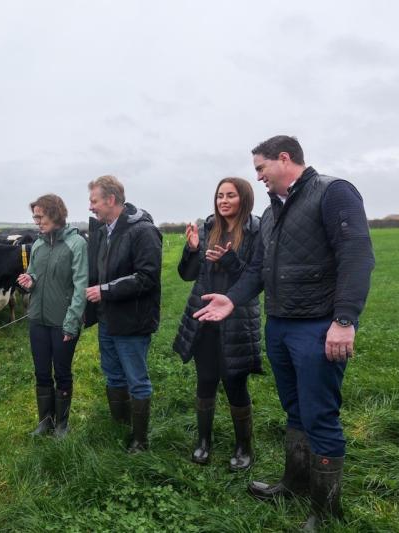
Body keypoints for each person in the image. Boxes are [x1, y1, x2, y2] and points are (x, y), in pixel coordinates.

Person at [194, 136, 375, 528]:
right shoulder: (274, 212)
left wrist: (344, 321)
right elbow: (259, 268)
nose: (257, 177)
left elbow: (357, 255)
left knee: (320, 415)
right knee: (295, 411)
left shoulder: (333, 192)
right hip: (279, 325)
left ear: (285, 158)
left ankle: (325, 512)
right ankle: (294, 483)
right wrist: (232, 299)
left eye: (261, 168)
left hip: (317, 327)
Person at [173, 177, 262, 471]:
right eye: (220, 196)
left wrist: (230, 261)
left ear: (244, 199)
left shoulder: (256, 231)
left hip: (237, 320)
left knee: (235, 382)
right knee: (206, 379)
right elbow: (187, 275)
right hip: (204, 319)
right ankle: (203, 441)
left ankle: (243, 446)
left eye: (231, 196)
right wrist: (193, 249)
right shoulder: (208, 228)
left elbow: (254, 278)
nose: (223, 201)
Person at [84, 175, 162, 453]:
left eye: (94, 201)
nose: (91, 207)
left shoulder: (143, 231)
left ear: (111, 200)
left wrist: (105, 290)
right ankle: (119, 427)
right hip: (108, 318)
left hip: (132, 320)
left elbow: (147, 277)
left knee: (136, 380)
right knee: (113, 376)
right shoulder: (105, 231)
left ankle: (140, 441)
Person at [17, 194, 88, 438]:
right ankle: (45, 421)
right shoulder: (37, 245)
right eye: (34, 217)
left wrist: (71, 323)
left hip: (63, 322)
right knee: (42, 372)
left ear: (55, 214)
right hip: (37, 319)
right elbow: (34, 274)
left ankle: (62, 425)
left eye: (40, 216)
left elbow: (80, 287)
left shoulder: (76, 244)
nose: (36, 221)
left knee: (62, 372)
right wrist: (30, 279)